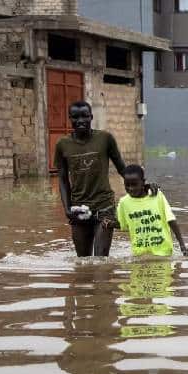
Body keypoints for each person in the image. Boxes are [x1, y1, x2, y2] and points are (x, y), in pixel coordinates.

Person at [55, 100, 127, 257]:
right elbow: (62, 179)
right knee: (83, 261)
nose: (80, 121)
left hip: (104, 208)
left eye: (84, 116)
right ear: (70, 118)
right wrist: (67, 209)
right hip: (79, 210)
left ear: (91, 117)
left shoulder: (105, 139)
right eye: (75, 117)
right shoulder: (62, 145)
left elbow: (122, 169)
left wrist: (144, 184)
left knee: (100, 261)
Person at [113, 164, 188, 257]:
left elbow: (171, 220)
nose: (131, 188)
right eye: (127, 185)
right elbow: (123, 225)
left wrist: (182, 246)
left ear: (143, 182)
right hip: (139, 254)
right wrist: (110, 224)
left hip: (163, 252)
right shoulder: (124, 203)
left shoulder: (157, 196)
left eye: (134, 184)